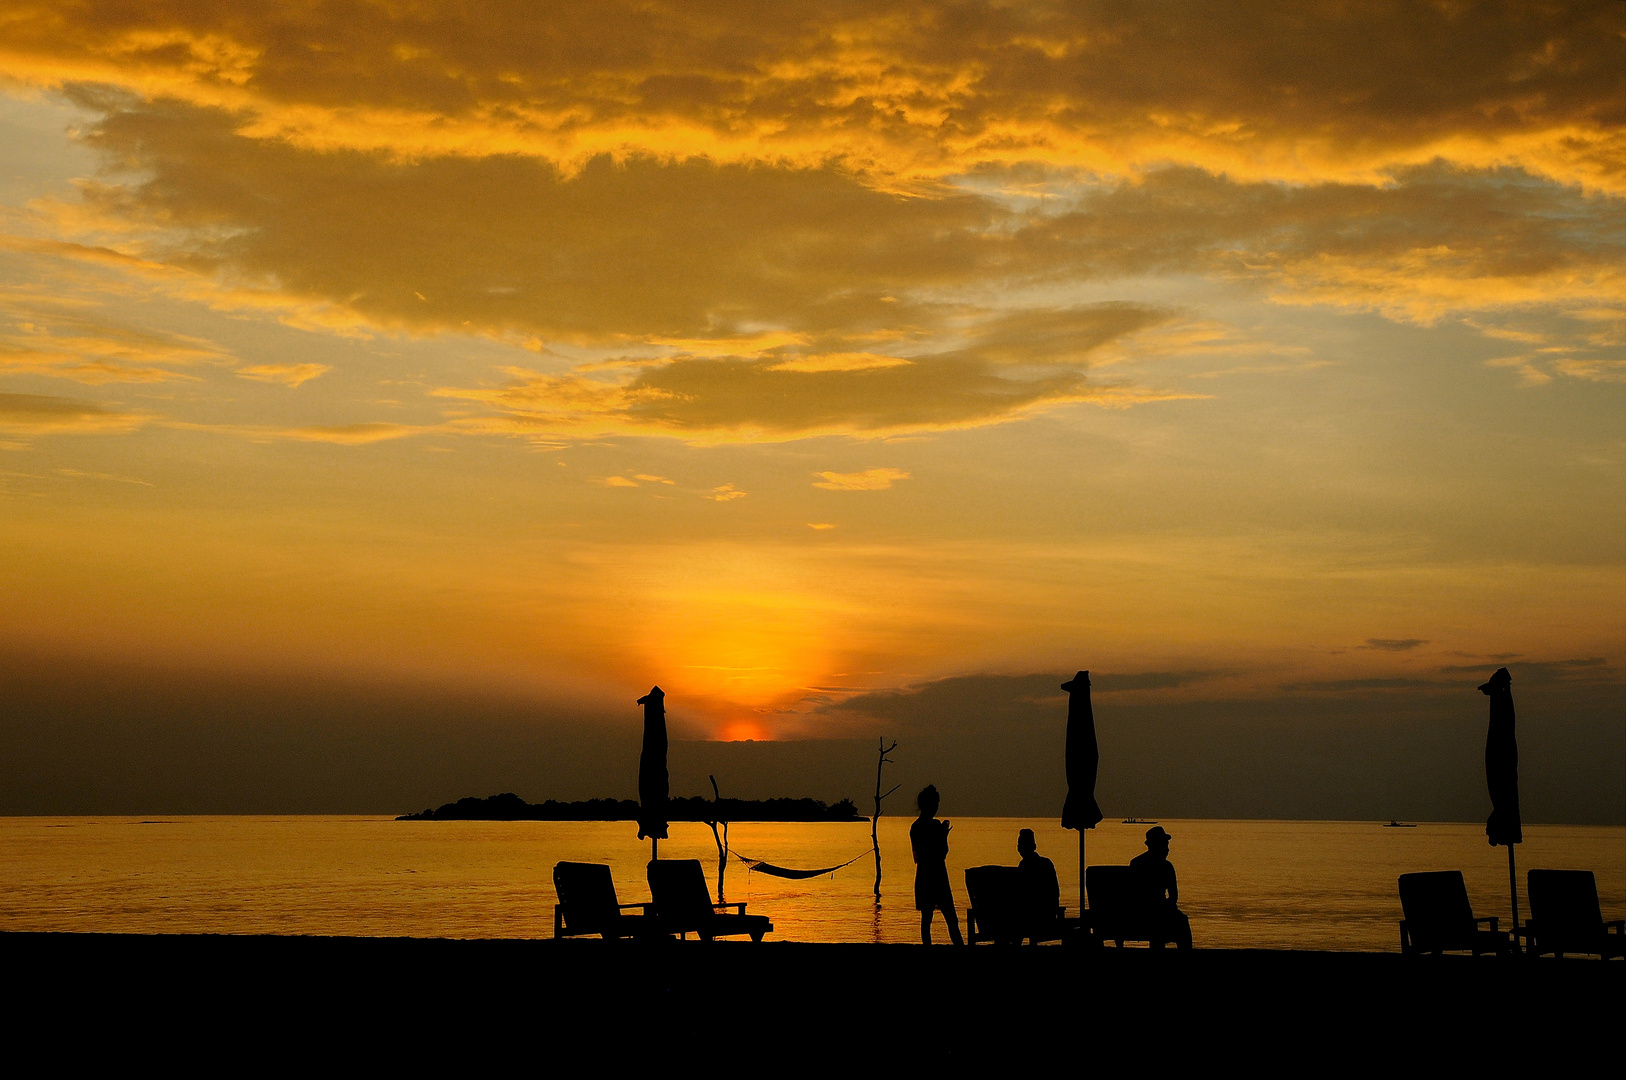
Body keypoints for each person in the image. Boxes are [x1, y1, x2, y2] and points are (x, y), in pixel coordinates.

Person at [910, 785, 963, 945]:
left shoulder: (916, 827)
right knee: (949, 919)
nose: (936, 808)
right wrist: (942, 836)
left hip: (926, 876)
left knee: (928, 919)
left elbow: (925, 854)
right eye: (935, 804)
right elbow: (940, 853)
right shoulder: (930, 826)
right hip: (936, 876)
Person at [1129, 825, 1192, 949]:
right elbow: (1173, 897)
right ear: (1155, 845)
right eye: (1165, 845)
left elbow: (1132, 894)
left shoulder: (1136, 863)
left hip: (1139, 914)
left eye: (1167, 845)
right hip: (1151, 914)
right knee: (1182, 922)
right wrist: (1166, 907)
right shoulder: (1167, 867)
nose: (1167, 849)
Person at [1016, 828, 1060, 944]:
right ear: (1034, 846)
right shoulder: (1046, 864)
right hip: (1045, 918)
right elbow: (1055, 893)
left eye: (1020, 845)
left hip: (1028, 920)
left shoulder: (1022, 868)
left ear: (1019, 848)